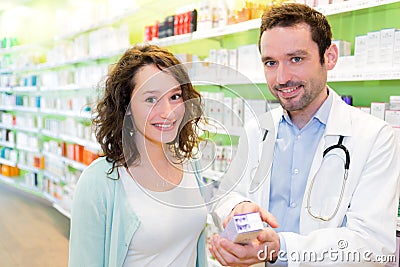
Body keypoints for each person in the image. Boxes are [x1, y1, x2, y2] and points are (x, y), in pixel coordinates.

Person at [209, 3, 400, 266]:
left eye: (296, 59)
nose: (282, 78)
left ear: (329, 57)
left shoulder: (375, 137)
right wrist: (236, 209)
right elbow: (227, 194)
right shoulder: (258, 130)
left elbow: (372, 244)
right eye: (271, 62)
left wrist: (282, 248)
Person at [68, 44, 208, 267]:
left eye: (175, 96)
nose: (167, 112)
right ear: (127, 106)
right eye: (151, 99)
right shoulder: (99, 181)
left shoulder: (190, 164)